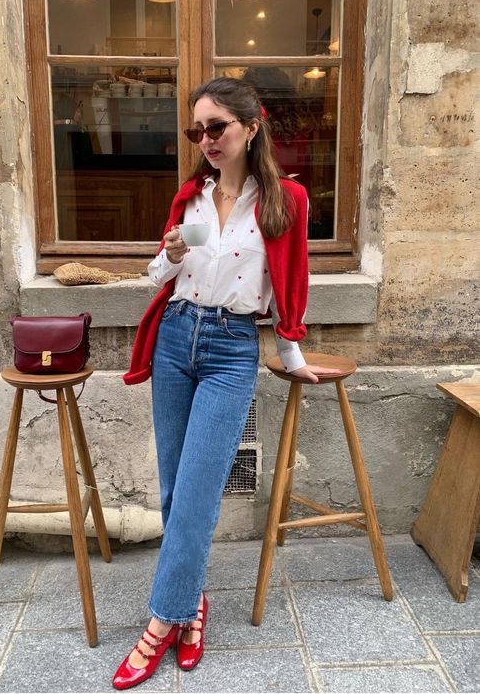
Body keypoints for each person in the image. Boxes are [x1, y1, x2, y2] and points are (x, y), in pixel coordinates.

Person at [112, 77, 340, 690]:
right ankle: (192, 606)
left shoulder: (285, 200)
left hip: (231, 348)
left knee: (199, 490)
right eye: (197, 130)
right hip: (176, 336)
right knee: (172, 483)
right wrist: (170, 254)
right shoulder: (191, 194)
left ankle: (161, 622)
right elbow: (157, 274)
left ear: (251, 126)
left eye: (218, 127)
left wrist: (291, 353)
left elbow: (292, 279)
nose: (207, 139)